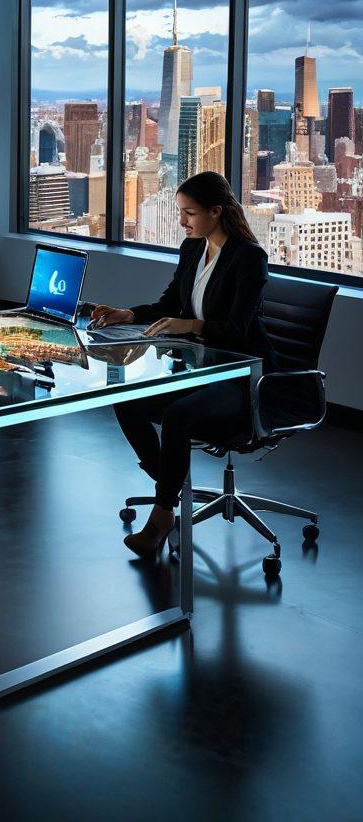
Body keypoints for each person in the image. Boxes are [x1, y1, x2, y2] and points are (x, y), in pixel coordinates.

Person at [90, 171, 277, 558]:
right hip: (202, 367)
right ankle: (168, 485)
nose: (182, 222)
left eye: (189, 213)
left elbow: (239, 331)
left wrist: (191, 324)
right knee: (126, 399)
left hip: (245, 377)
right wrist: (128, 314)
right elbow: (169, 305)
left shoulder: (249, 258)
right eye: (180, 212)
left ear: (216, 211)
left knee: (177, 416)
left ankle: (161, 516)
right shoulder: (193, 248)